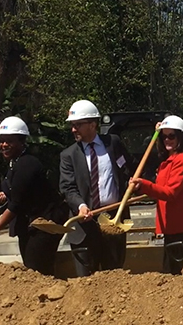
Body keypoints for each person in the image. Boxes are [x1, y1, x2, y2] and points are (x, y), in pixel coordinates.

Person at [0, 117, 67, 276]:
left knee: (38, 269)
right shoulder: (14, 163)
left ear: (22, 141)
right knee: (31, 268)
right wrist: (5, 194)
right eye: (2, 141)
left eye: (9, 141)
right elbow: (17, 191)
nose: (4, 145)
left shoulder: (27, 164)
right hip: (28, 225)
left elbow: (16, 205)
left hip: (44, 224)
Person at [59, 100, 135, 276]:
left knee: (114, 277)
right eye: (72, 125)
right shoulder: (68, 155)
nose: (73, 129)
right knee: (86, 285)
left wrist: (134, 182)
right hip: (85, 226)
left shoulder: (113, 144)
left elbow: (128, 168)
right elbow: (67, 187)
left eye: (78, 125)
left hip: (113, 221)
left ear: (93, 124)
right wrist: (81, 206)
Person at [129, 115, 183, 275]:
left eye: (171, 136)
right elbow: (159, 189)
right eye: (164, 136)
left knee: (175, 272)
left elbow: (170, 192)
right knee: (169, 270)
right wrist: (141, 187)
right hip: (169, 225)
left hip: (180, 225)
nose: (167, 140)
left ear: (181, 137)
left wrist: (144, 184)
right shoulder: (167, 162)